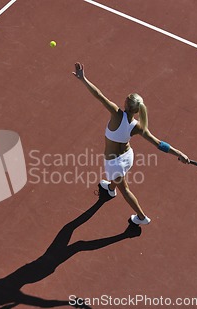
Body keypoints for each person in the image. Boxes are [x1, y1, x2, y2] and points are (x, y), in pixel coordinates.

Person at [73, 62, 190, 225]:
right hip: (127, 157)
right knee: (117, 180)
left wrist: (83, 79)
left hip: (115, 163)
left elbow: (99, 95)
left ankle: (142, 217)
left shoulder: (116, 113)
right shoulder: (138, 126)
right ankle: (110, 189)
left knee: (125, 190)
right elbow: (159, 143)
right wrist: (180, 154)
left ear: (127, 105)